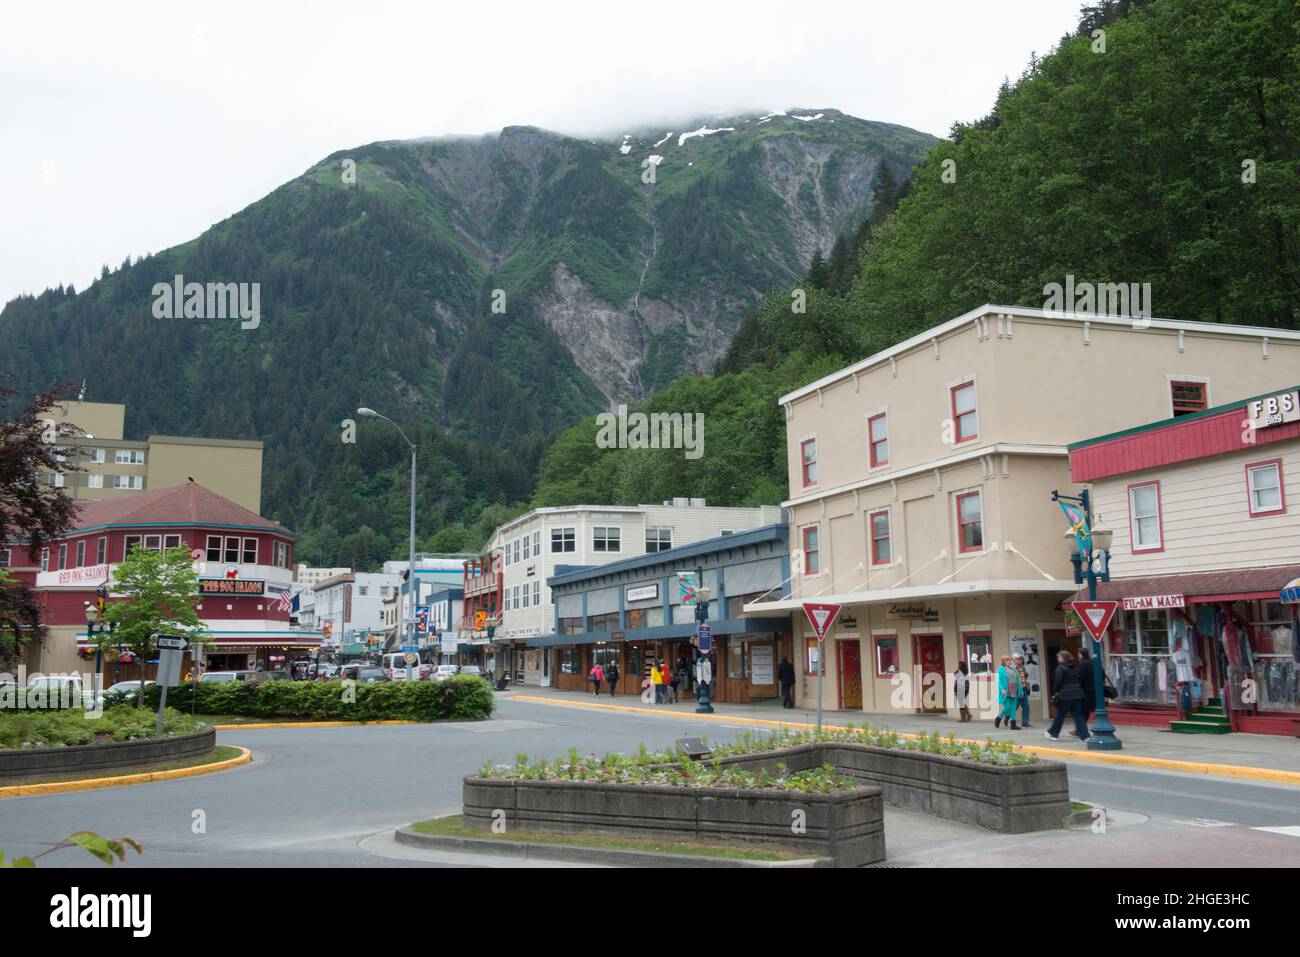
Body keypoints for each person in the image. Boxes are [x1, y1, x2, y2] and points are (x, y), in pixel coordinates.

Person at [1045, 650, 1090, 741]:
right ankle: (1085, 736)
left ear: (1062, 658)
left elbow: (1058, 681)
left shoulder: (1060, 668)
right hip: (1077, 694)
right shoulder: (1074, 667)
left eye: (1059, 657)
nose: (1058, 658)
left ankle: (1053, 733)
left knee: (1060, 714)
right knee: (1078, 716)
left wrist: (1055, 691)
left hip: (1066, 695)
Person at [994, 655, 1020, 729]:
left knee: (1013, 707)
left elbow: (1017, 680)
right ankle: (999, 717)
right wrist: (1002, 689)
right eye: (1007, 660)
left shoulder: (1013, 669)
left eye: (1009, 660)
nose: (1009, 661)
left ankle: (1013, 724)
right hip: (1006, 690)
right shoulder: (1001, 669)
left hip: (1014, 689)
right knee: (1007, 706)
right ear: (1003, 662)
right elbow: (999, 681)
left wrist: (1020, 690)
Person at [1076, 645, 1096, 733]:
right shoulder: (1094, 662)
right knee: (1094, 708)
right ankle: (1079, 729)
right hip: (1095, 689)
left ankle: (1080, 729)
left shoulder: (1082, 664)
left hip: (1085, 690)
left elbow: (1080, 678)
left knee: (1083, 711)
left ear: (1081, 654)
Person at [1013, 652, 1033, 728]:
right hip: (1017, 689)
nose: (1020, 660)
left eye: (1020, 659)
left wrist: (1026, 675)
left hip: (1024, 688)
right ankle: (1007, 715)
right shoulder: (1012, 668)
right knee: (1016, 705)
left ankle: (1025, 722)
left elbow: (1023, 677)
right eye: (1018, 659)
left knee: (1026, 706)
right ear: (1014, 660)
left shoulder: (1022, 667)